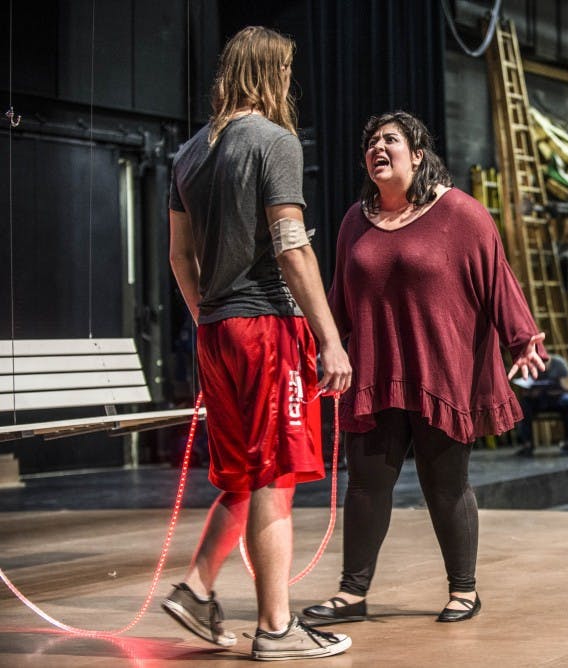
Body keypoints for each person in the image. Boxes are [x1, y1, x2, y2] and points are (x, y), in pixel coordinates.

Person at [303, 111, 546, 626]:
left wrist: (522, 338)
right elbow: (339, 298)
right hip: (375, 373)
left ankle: (464, 590)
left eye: (390, 139)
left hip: (441, 372)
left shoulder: (460, 213)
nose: (377, 148)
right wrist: (318, 346)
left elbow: (497, 278)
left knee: (446, 484)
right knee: (365, 484)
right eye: (371, 142)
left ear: (417, 154)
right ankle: (352, 594)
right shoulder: (354, 221)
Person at [163, 26, 353, 660]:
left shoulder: (188, 154)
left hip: (217, 333)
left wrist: (209, 316)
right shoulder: (275, 141)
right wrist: (330, 340)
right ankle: (276, 628)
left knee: (245, 475)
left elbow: (179, 256)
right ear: (272, 74)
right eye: (286, 72)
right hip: (267, 328)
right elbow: (292, 246)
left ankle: (196, 589)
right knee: (273, 477)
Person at [513, 354, 568, 457]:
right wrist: (532, 392)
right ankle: (527, 444)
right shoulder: (532, 364)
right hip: (538, 399)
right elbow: (526, 388)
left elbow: (567, 386)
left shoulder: (559, 364)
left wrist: (554, 389)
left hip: (557, 398)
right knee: (524, 405)